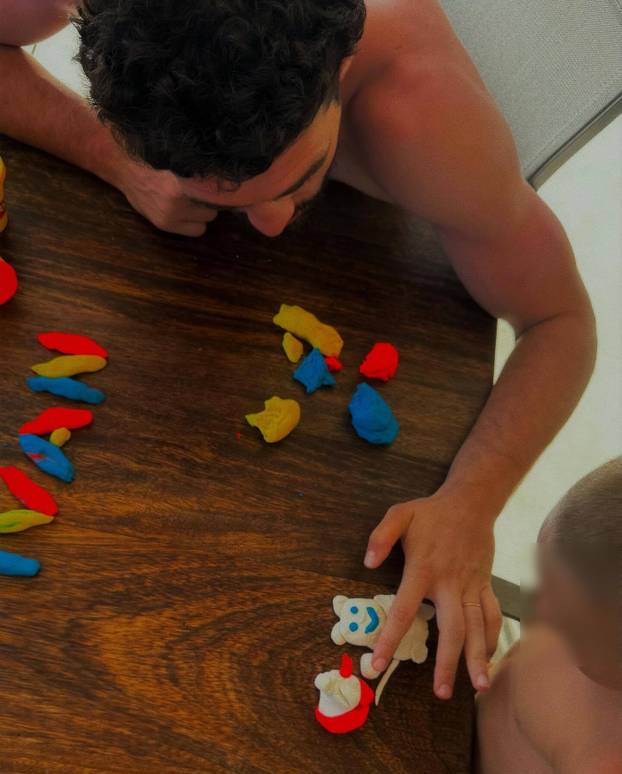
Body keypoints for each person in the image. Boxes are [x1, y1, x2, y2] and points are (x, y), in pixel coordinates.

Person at [0, 0, 596, 700]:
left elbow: (561, 323)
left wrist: (472, 500)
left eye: (297, 180)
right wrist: (110, 157)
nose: (272, 225)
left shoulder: (428, 118)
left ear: (342, 60)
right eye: (230, 202)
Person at [477, 459, 622, 774]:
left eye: (563, 618)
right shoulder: (589, 619)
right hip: (464, 717)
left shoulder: (603, 765)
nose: (535, 606)